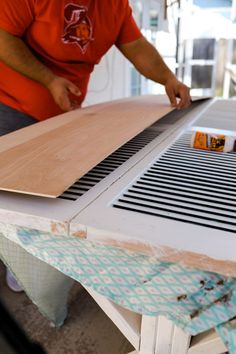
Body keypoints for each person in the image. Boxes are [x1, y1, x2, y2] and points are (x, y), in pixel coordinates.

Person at [0, 0, 191, 291]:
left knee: (39, 196)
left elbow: (137, 46)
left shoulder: (115, 5)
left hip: (61, 115)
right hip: (8, 105)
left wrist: (168, 78)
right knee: (8, 198)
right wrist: (49, 79)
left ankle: (25, 267)